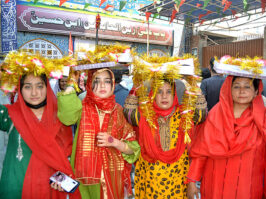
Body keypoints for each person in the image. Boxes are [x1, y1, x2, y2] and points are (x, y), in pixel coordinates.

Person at [187, 74, 266, 199]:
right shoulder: (215, 115)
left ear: (256, 91)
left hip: (248, 188)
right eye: (236, 87)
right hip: (215, 186)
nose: (242, 91)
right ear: (229, 89)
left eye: (247, 87)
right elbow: (201, 152)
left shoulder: (265, 117)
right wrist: (191, 182)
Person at [57, 68, 140, 199]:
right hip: (83, 178)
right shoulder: (81, 107)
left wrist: (113, 141)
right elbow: (66, 117)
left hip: (112, 178)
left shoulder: (119, 112)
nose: (102, 85)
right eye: (97, 80)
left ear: (113, 84)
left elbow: (133, 150)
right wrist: (71, 83)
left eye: (107, 81)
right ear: (89, 82)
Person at [123, 78, 207, 198]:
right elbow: (129, 114)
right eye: (159, 91)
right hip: (150, 181)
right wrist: (137, 86)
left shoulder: (184, 115)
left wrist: (195, 87)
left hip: (177, 181)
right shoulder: (145, 114)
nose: (164, 96)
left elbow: (201, 116)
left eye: (169, 92)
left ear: (174, 95)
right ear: (152, 94)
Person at [0, 73, 80, 199]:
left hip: (50, 188)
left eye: (39, 86)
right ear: (19, 89)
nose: (34, 93)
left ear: (47, 87)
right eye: (27, 87)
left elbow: (65, 156)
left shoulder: (60, 115)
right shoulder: (9, 114)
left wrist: (71, 84)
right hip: (16, 189)